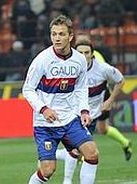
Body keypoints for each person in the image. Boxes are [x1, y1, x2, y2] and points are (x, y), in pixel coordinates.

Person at [22, 15, 99, 184]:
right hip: (45, 124)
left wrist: (84, 110)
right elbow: (27, 89)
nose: (57, 38)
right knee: (48, 170)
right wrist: (44, 109)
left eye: (61, 34)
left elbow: (80, 87)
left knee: (92, 153)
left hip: (70, 118)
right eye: (54, 34)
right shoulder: (42, 60)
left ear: (70, 37)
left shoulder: (79, 59)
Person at [56, 36, 132, 184]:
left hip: (92, 114)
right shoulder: (67, 67)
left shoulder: (102, 69)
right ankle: (65, 177)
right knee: (80, 150)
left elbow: (120, 80)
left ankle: (55, 156)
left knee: (81, 149)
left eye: (86, 52)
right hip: (75, 114)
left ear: (92, 54)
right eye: (80, 53)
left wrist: (110, 100)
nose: (83, 56)